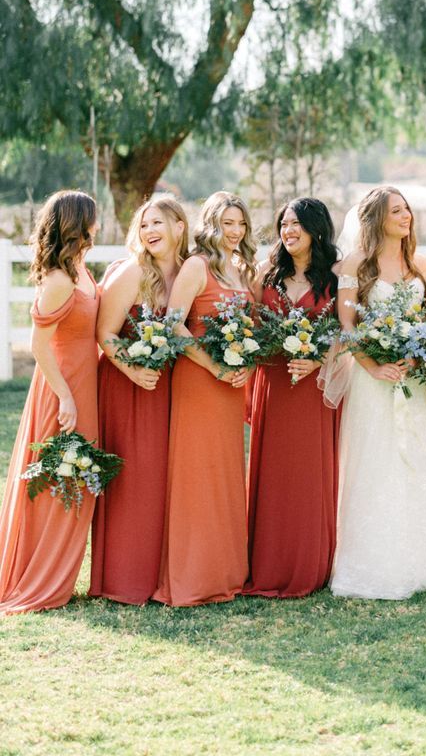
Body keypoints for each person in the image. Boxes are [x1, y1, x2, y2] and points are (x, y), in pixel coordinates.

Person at [329, 186, 426, 599]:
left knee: (418, 462)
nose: (406, 217)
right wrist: (373, 365)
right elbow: (347, 327)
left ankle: (424, 563)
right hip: (374, 382)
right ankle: (374, 563)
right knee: (377, 461)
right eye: (396, 211)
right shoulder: (355, 264)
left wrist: (419, 358)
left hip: (413, 380)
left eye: (407, 210)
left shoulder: (418, 263)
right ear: (376, 219)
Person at [0, 190, 99, 614]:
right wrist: (66, 397)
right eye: (93, 219)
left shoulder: (79, 268)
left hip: (84, 382)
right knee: (60, 480)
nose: (99, 225)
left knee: (77, 479)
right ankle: (41, 576)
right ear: (78, 223)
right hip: (63, 387)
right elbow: (39, 346)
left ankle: (57, 569)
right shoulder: (59, 280)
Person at [154, 191, 255, 607]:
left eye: (241, 224)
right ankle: (193, 576)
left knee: (227, 473)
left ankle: (227, 572)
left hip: (232, 384)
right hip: (199, 381)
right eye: (227, 223)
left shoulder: (240, 268)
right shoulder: (197, 266)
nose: (234, 232)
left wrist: (246, 362)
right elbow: (173, 325)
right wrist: (214, 366)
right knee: (197, 473)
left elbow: (249, 325)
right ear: (211, 225)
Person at [91, 195, 188, 605]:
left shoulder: (188, 272)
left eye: (158, 223)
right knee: (134, 478)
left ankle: (160, 575)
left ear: (179, 226)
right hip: (128, 385)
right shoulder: (133, 272)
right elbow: (105, 333)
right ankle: (124, 577)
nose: (149, 231)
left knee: (163, 479)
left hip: (170, 387)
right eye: (144, 224)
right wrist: (133, 369)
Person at [244, 198, 340, 597]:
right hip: (274, 383)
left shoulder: (335, 277)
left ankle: (309, 562)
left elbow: (345, 331)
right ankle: (267, 563)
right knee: (273, 475)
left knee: (308, 476)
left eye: (297, 223)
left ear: (316, 229)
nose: (288, 230)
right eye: (284, 223)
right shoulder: (266, 274)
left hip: (312, 390)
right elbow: (248, 323)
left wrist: (318, 360)